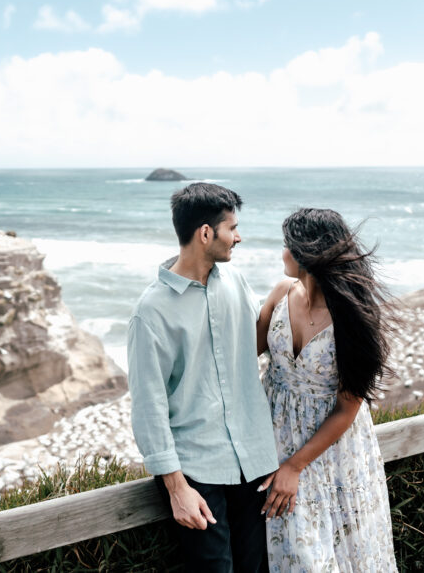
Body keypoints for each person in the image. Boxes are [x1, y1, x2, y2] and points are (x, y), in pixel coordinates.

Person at [127, 182, 279, 572]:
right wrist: (177, 488)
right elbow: (148, 406)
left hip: (254, 463)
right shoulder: (151, 311)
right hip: (197, 470)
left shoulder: (237, 282)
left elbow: (253, 345)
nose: (238, 237)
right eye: (233, 228)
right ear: (206, 233)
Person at [256, 208, 397, 571]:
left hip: (330, 452)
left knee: (325, 557)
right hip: (274, 437)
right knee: (290, 551)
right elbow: (243, 353)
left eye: (287, 246)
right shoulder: (281, 293)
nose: (282, 254)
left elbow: (348, 409)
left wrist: (295, 466)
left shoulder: (352, 314)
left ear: (307, 253)